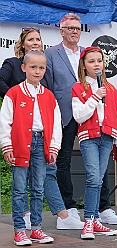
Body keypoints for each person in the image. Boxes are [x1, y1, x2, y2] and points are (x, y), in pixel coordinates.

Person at [0, 27, 83, 231]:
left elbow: (53, 115)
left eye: (38, 39)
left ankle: (40, 225)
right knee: (20, 186)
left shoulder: (47, 92)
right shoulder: (13, 78)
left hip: (43, 137)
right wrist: (14, 96)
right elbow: (5, 117)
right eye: (31, 39)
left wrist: (53, 143)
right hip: (21, 136)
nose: (37, 71)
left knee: (41, 182)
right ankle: (22, 225)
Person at [45, 13, 117, 225]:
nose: (74, 31)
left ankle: (103, 207)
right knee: (63, 161)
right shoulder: (51, 53)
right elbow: (49, 86)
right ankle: (69, 209)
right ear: (61, 30)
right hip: (65, 113)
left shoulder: (88, 54)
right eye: (70, 28)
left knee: (99, 163)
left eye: (77, 28)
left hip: (95, 116)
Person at [0, 50, 58, 245]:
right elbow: (5, 121)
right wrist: (6, 145)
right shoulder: (13, 93)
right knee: (18, 189)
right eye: (33, 67)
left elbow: (55, 124)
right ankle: (19, 230)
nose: (37, 71)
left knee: (38, 188)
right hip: (20, 144)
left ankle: (36, 229)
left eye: (41, 68)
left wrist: (54, 147)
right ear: (24, 68)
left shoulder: (49, 96)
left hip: (42, 143)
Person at [72, 46, 117, 239]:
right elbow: (79, 116)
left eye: (99, 61)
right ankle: (88, 221)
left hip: (107, 137)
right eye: (91, 61)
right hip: (89, 137)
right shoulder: (79, 87)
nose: (96, 65)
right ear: (84, 65)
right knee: (93, 177)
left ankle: (94, 221)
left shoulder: (111, 89)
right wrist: (95, 97)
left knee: (99, 178)